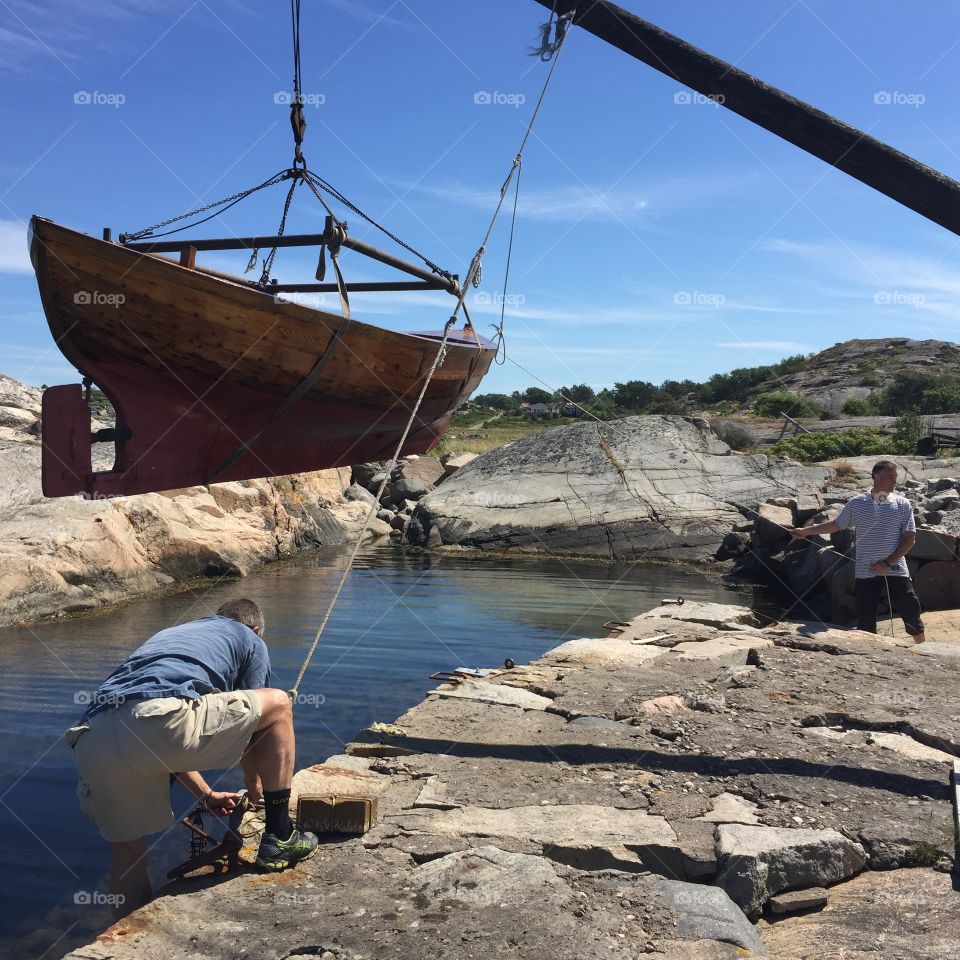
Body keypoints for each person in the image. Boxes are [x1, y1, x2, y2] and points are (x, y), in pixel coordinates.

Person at [65, 598, 318, 917]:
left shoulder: (176, 634)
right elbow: (259, 728)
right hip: (155, 719)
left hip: (92, 735)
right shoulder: (249, 638)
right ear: (255, 628)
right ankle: (281, 835)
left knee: (128, 852)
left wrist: (207, 795)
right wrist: (254, 792)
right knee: (279, 705)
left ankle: (127, 940)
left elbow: (153, 734)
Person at [790, 460, 926, 643]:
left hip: (895, 567)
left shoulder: (902, 504)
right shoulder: (857, 503)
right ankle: (868, 653)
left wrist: (887, 563)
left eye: (895, 477)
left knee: (910, 607)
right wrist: (805, 531)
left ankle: (923, 649)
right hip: (865, 569)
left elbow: (910, 539)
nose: (894, 481)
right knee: (865, 616)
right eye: (890, 477)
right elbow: (835, 525)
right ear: (876, 477)